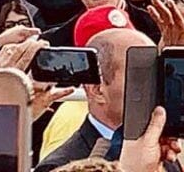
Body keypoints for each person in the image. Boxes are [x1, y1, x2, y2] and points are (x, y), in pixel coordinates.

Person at [35, 28, 156, 172]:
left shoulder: (161, 154)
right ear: (97, 89)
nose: (154, 85)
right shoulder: (59, 166)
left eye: (155, 74)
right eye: (140, 76)